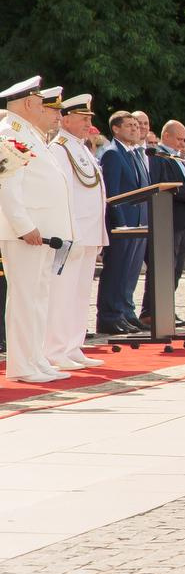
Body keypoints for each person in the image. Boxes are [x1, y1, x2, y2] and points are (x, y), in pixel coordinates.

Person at [1, 76, 75, 383]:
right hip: (28, 232)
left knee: (38, 296)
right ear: (29, 103)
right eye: (41, 101)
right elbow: (7, 184)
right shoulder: (9, 133)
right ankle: (22, 364)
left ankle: (35, 357)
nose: (47, 108)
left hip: (43, 231)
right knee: (25, 298)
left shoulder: (29, 133)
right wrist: (23, 226)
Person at [50, 94, 106, 370]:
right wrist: (67, 230)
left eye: (89, 119)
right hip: (73, 232)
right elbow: (62, 193)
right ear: (66, 119)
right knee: (63, 293)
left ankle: (73, 346)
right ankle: (56, 349)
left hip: (88, 231)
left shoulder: (80, 147)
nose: (88, 124)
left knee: (81, 292)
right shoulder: (60, 147)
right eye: (83, 119)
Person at [96, 108, 150, 335]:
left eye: (136, 126)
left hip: (139, 222)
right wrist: (119, 223)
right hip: (123, 224)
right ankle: (110, 316)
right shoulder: (112, 153)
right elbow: (113, 192)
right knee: (116, 270)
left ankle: (126, 312)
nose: (135, 129)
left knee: (130, 272)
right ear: (116, 129)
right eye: (129, 125)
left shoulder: (135, 153)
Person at [142, 119, 185, 329]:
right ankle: (151, 311)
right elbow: (163, 186)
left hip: (183, 220)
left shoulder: (175, 157)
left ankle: (167, 308)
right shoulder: (158, 156)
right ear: (165, 136)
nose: (181, 143)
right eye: (178, 138)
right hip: (169, 218)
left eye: (184, 139)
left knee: (175, 269)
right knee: (164, 267)